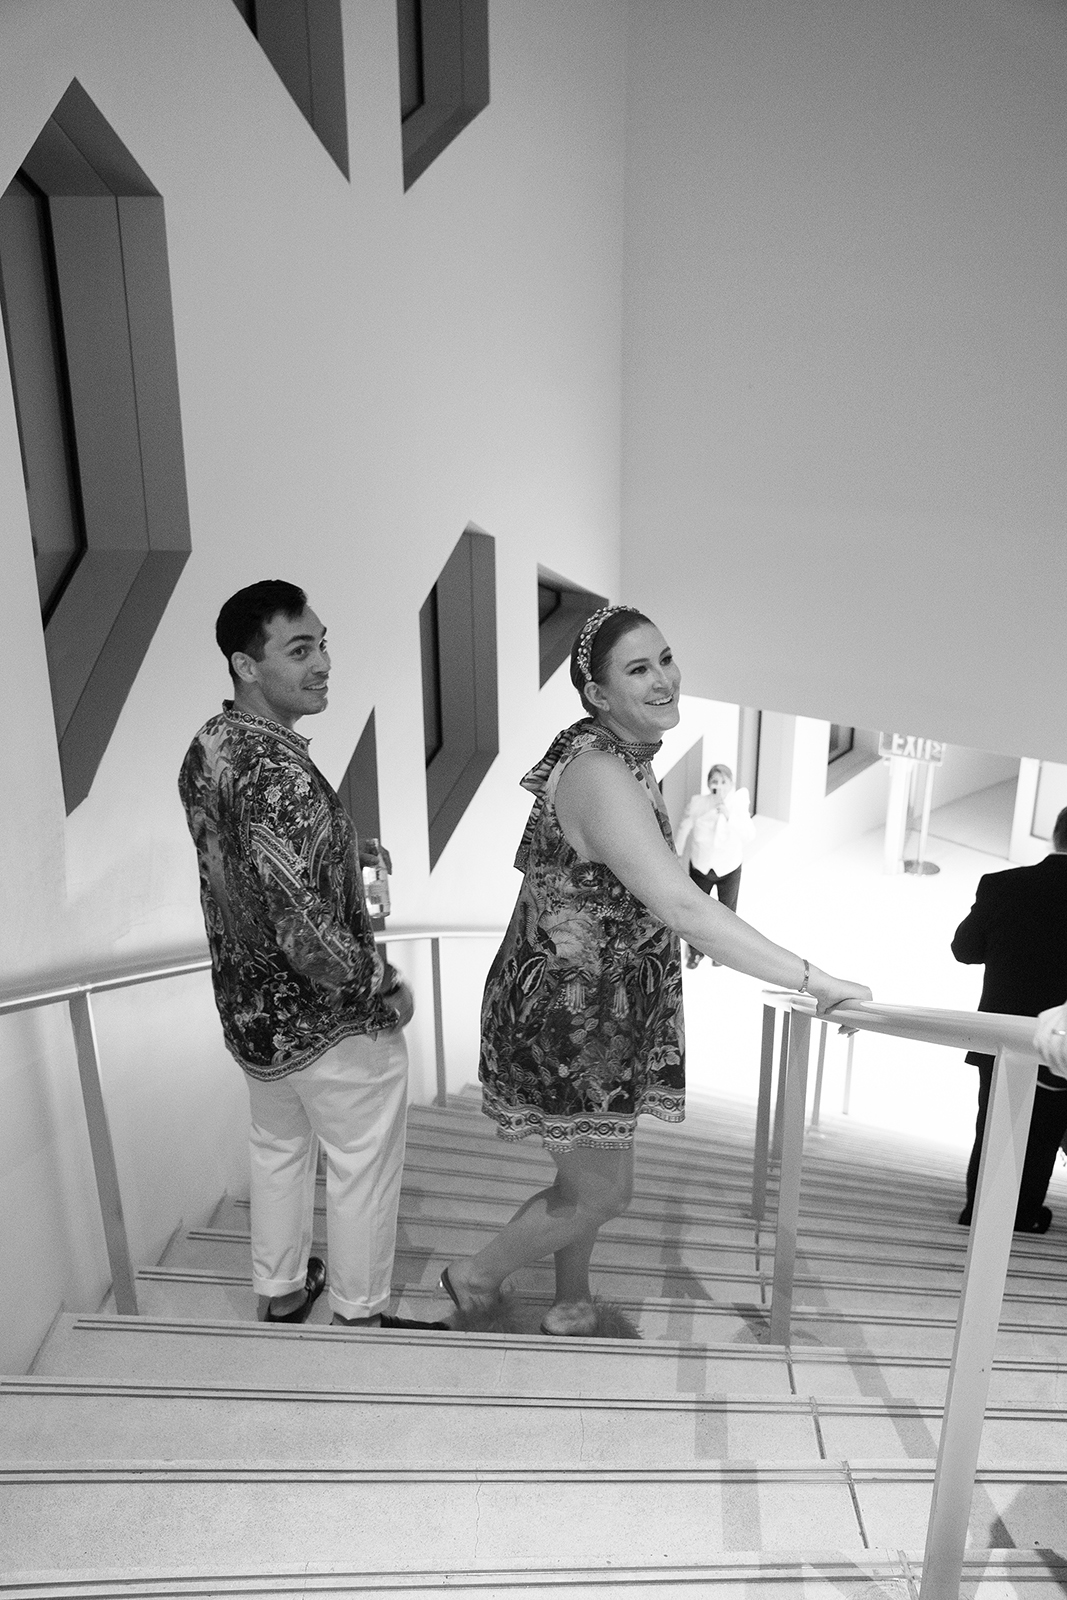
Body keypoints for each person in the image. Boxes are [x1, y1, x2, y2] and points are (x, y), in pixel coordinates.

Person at [440, 604, 871, 1336]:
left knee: (586, 1174)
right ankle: (476, 1273)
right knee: (606, 1190)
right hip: (566, 1023)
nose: (665, 678)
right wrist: (813, 977)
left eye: (665, 658)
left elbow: (642, 882)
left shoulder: (620, 756)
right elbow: (683, 905)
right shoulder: (602, 773)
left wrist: (664, 920)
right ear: (597, 695)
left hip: (598, 1016)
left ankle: (571, 1294)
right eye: (638, 669)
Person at [179, 580, 443, 1330]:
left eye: (322, 644)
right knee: (361, 1166)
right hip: (326, 1023)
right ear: (245, 664)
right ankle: (359, 1314)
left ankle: (282, 1289)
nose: (323, 662)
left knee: (278, 1150)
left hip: (249, 1011)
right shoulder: (284, 773)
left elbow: (246, 864)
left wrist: (338, 855)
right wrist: (380, 985)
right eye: (299, 650)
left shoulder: (209, 746)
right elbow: (302, 929)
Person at [951, 806, 1067, 1233]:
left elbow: (964, 949)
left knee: (993, 1123)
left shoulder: (1002, 885)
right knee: (1045, 1131)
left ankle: (976, 1212)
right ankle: (1024, 1216)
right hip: (1059, 1041)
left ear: (1055, 835)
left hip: (999, 1036)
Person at [675, 763, 755, 968]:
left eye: (723, 781)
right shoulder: (698, 803)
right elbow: (684, 827)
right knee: (697, 913)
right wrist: (676, 853)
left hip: (729, 868)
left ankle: (721, 953)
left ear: (731, 784)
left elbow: (748, 835)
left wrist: (728, 815)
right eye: (714, 781)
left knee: (727, 913)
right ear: (709, 784)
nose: (718, 786)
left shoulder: (738, 803)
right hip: (701, 867)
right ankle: (695, 952)